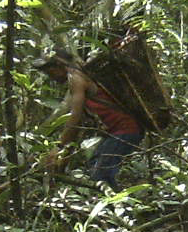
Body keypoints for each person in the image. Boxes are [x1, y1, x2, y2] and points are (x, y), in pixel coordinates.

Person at [39, 53, 142, 187]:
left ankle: (116, 199)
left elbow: (74, 118)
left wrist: (58, 148)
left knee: (101, 177)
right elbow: (77, 128)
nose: (51, 77)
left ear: (60, 65)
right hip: (122, 131)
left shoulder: (75, 78)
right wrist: (62, 163)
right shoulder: (83, 76)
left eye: (51, 72)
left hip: (125, 129)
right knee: (95, 166)